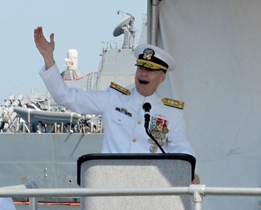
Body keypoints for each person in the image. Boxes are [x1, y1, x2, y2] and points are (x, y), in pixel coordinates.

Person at [33, 26, 199, 182]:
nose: (143, 73)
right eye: (141, 67)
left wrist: (188, 172)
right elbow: (67, 98)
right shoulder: (113, 99)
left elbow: (181, 147)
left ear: (162, 78)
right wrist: (49, 59)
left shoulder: (171, 113)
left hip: (149, 188)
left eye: (150, 70)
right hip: (111, 186)